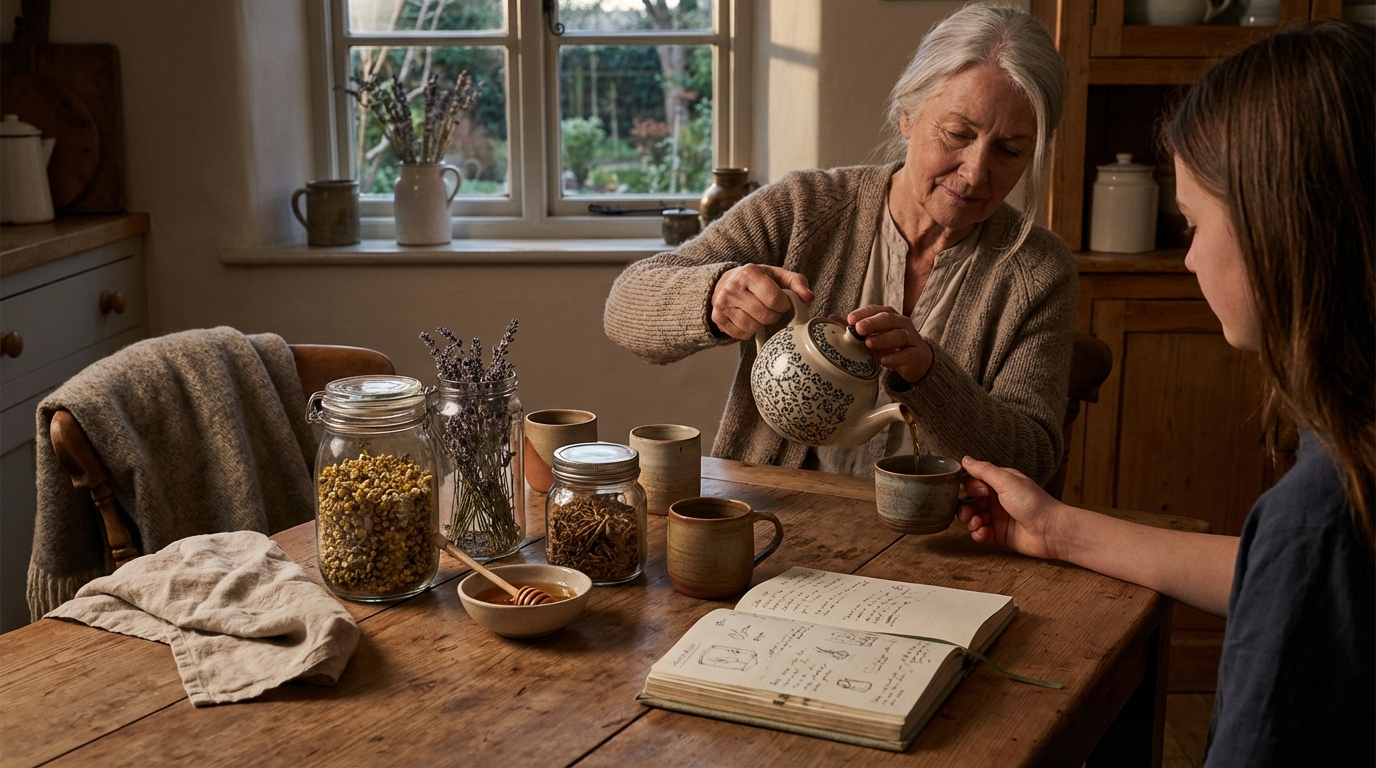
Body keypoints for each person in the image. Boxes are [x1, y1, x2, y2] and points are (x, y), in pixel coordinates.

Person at [957, 20, 1374, 767]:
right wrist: (1055, 530)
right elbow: (1276, 573)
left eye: (1192, 224)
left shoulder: (1320, 518)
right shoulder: (1343, 471)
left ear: (1280, 226)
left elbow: (1298, 566)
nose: (1185, 260)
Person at [604, 3, 1074, 481]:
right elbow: (625, 308)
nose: (976, 173)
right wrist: (716, 294)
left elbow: (1032, 459)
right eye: (957, 133)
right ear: (906, 114)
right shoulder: (807, 207)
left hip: (946, 539)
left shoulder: (1036, 270)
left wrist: (931, 376)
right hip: (772, 510)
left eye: (1010, 150)